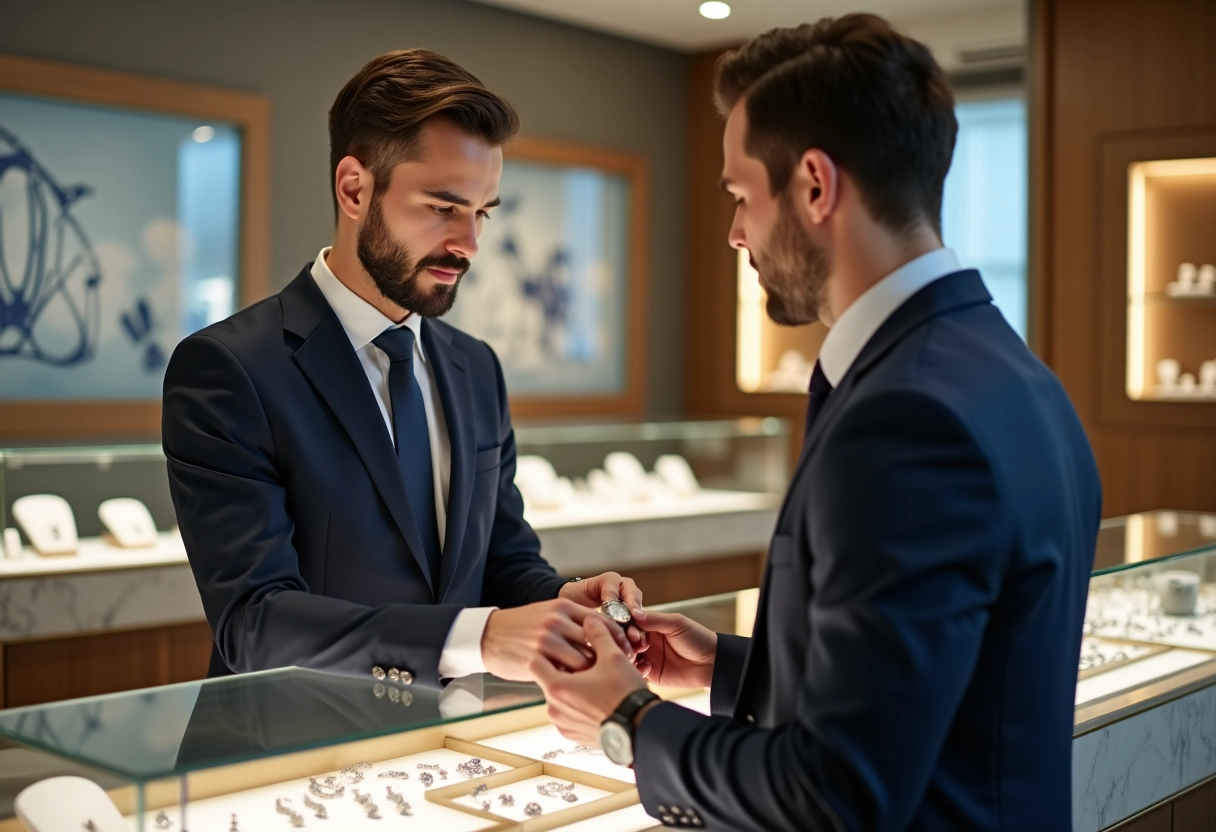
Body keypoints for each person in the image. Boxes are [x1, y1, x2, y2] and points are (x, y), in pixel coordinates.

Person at [530, 14, 1101, 832]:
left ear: (814, 185)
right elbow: (938, 689)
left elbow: (839, 796)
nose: (734, 233)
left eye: (739, 197)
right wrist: (734, 669)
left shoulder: (908, 422)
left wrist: (627, 723)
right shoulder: (1012, 373)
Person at [162, 49, 640, 689]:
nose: (469, 244)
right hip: (286, 757)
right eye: (443, 208)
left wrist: (565, 600)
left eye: (482, 212)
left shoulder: (476, 368)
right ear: (354, 188)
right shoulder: (229, 368)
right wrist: (479, 636)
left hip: (440, 753)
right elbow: (254, 622)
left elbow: (503, 559)